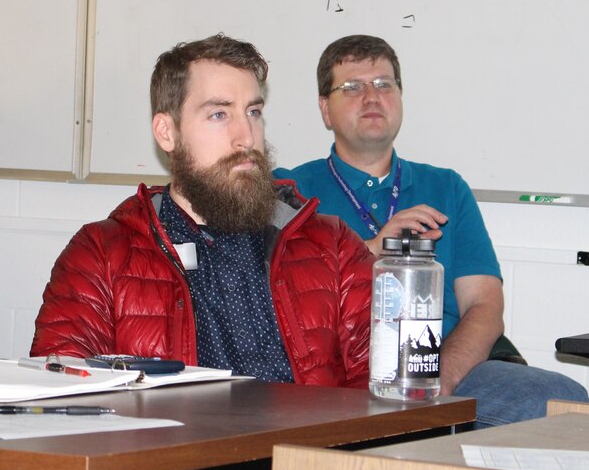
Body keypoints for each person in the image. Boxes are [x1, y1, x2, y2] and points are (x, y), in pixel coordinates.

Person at [276, 35, 589, 427]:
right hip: (339, 376)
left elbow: (485, 306)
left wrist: (442, 378)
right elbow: (279, 301)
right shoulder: (289, 192)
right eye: (353, 87)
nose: (372, 98)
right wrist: (371, 250)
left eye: (384, 84)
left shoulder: (446, 187)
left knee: (560, 401)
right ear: (325, 110)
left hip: (443, 365)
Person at [31, 33, 372, 389]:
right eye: (219, 114)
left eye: (253, 112)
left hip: (303, 444)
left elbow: (384, 388)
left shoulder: (332, 246)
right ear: (167, 133)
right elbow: (61, 390)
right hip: (171, 445)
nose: (246, 137)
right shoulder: (101, 256)